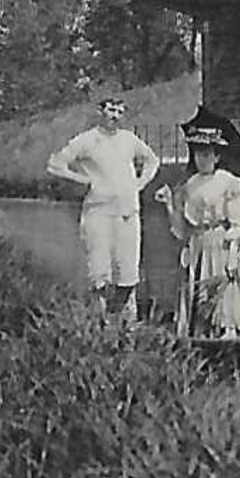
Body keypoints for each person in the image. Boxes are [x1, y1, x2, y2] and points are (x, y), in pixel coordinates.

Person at [46, 93, 161, 317]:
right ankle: (99, 325)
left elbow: (152, 160)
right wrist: (84, 181)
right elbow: (55, 164)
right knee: (100, 273)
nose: (115, 116)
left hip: (128, 212)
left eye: (119, 112)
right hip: (98, 214)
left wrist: (140, 183)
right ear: (100, 112)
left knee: (128, 272)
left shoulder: (129, 139)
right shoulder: (86, 140)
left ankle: (127, 326)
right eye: (111, 110)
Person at [154, 125, 240, 338]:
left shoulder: (228, 182)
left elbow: (238, 222)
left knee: (222, 291)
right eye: (199, 154)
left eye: (207, 154)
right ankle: (201, 335)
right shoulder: (191, 184)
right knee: (197, 293)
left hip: (220, 243)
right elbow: (182, 227)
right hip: (198, 243)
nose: (202, 159)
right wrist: (170, 204)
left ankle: (227, 332)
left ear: (217, 157)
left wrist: (234, 254)